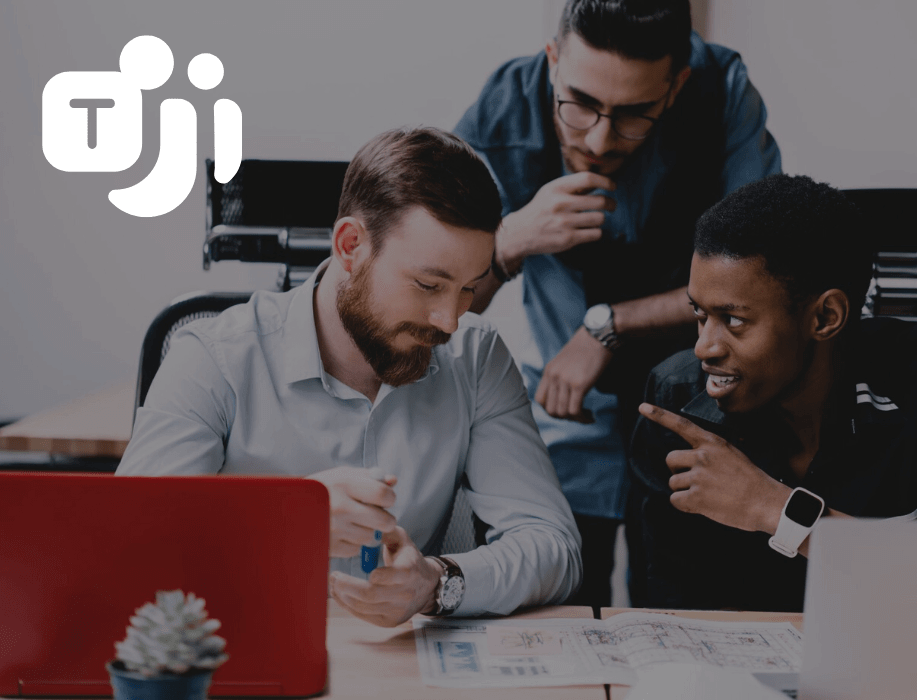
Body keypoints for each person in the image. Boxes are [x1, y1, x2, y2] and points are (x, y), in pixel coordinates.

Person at [117, 127, 582, 627]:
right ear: (350, 245)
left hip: (397, 669)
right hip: (242, 644)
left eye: (468, 289)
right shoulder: (214, 358)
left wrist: (436, 582)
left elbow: (553, 546)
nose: (449, 320)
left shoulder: (476, 358)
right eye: (429, 285)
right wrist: (286, 523)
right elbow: (126, 544)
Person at [453, 0, 780, 607]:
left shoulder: (721, 90)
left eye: (634, 115)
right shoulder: (504, 106)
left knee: (687, 624)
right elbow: (439, 304)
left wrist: (606, 327)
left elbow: (757, 285)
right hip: (563, 425)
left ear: (675, 85)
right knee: (558, 617)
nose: (600, 140)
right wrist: (510, 242)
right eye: (578, 105)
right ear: (553, 60)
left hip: (702, 417)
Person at [630, 174, 917, 612]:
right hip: (729, 674)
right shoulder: (675, 401)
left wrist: (774, 508)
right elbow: (665, 610)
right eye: (699, 314)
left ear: (826, 317)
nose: (703, 347)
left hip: (895, 668)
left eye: (734, 320)